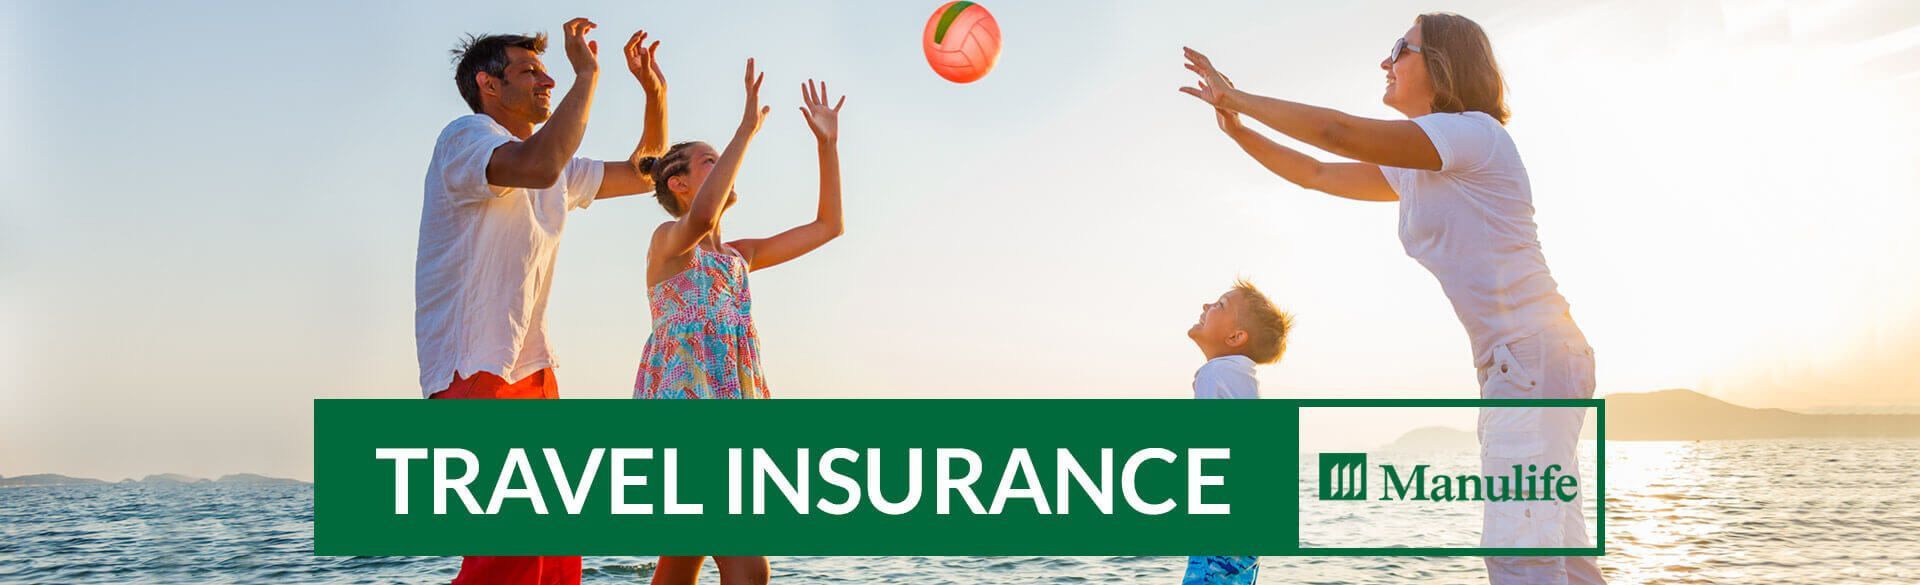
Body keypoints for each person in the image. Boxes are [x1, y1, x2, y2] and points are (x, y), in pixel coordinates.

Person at [1180, 12, 1601, 585]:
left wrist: (1238, 97)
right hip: (1525, 361)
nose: (1386, 60)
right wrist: (1239, 130)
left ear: (1444, 65)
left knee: (1521, 552)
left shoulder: (1472, 136)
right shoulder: (1418, 164)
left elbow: (1336, 132)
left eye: (1401, 48)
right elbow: (1316, 172)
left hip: (1530, 357)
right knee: (1558, 554)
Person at [415, 17, 669, 585]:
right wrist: (587, 76)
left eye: (548, 71)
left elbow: (643, 175)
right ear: (488, 84)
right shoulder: (466, 137)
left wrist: (655, 94)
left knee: (555, 553)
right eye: (530, 71)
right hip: (472, 366)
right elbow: (538, 165)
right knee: (510, 550)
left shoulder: (554, 166)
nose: (547, 80)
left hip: (531, 367)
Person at [632, 61, 846, 585]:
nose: (729, 165)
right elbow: (701, 218)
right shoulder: (668, 244)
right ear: (679, 183)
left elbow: (829, 226)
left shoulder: (738, 257)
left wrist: (827, 146)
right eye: (712, 160)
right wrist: (745, 129)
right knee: (748, 568)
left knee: (682, 562)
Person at [1182, 279, 1293, 584]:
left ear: (1235, 336)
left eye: (1220, 305)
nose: (1206, 305)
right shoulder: (1240, 375)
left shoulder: (1215, 373)